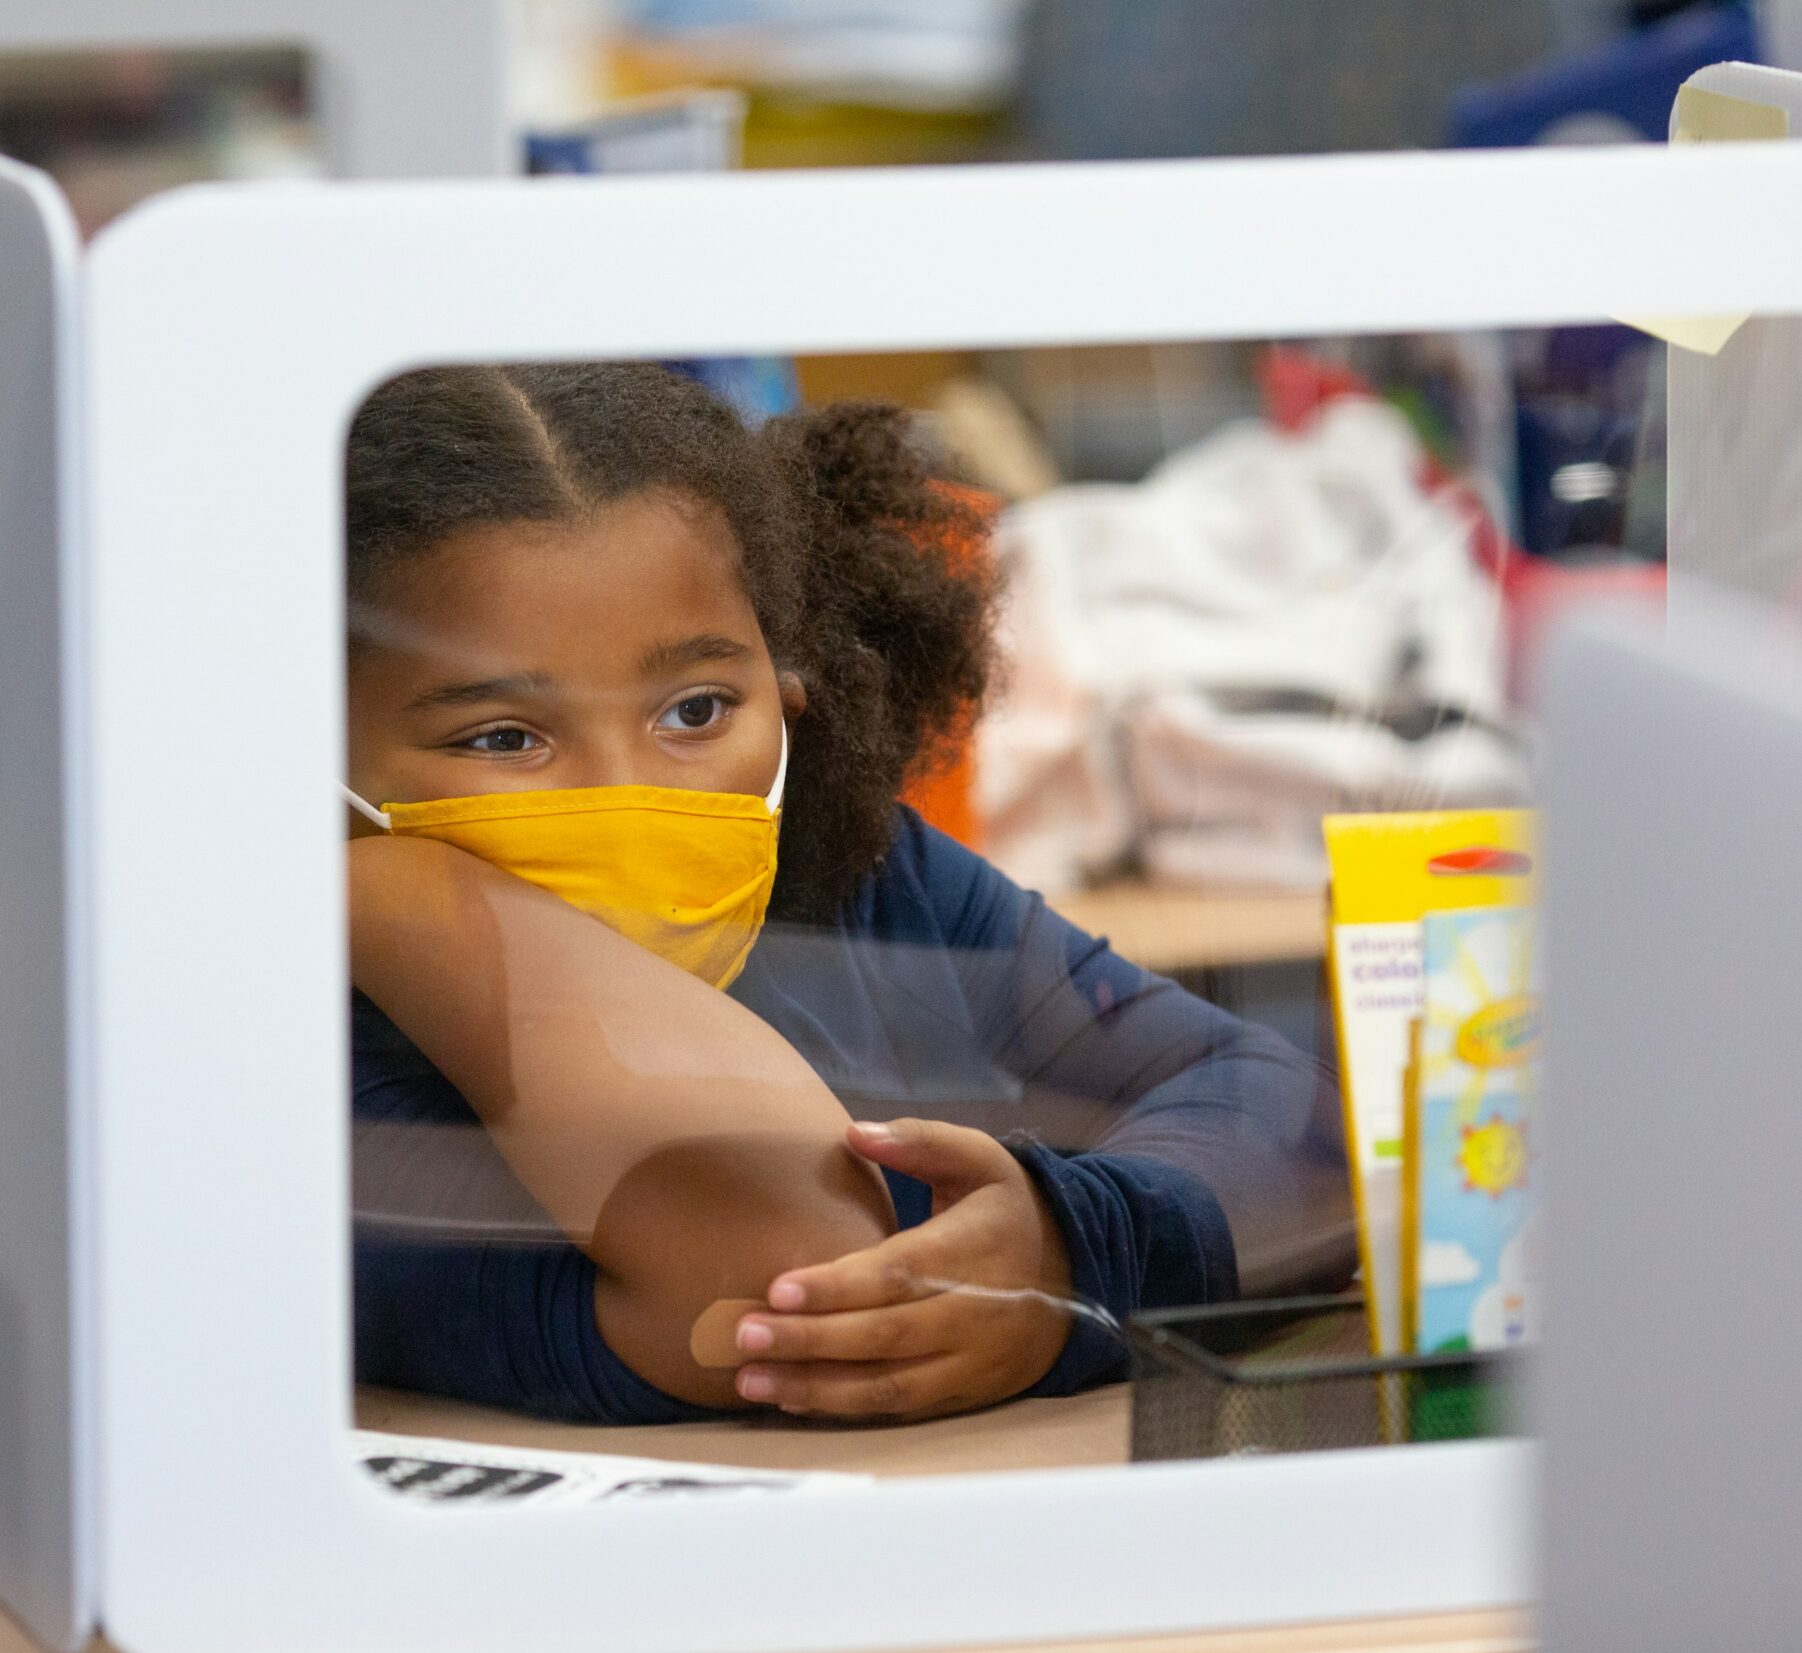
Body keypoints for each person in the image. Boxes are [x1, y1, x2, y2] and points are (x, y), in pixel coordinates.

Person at [345, 362, 1351, 1426]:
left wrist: (1071, 1249)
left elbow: (1309, 1134)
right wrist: (397, 892)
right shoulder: (308, 1063)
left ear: (786, 692)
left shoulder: (864, 876)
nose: (630, 794)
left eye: (694, 711)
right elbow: (779, 1274)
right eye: (503, 738)